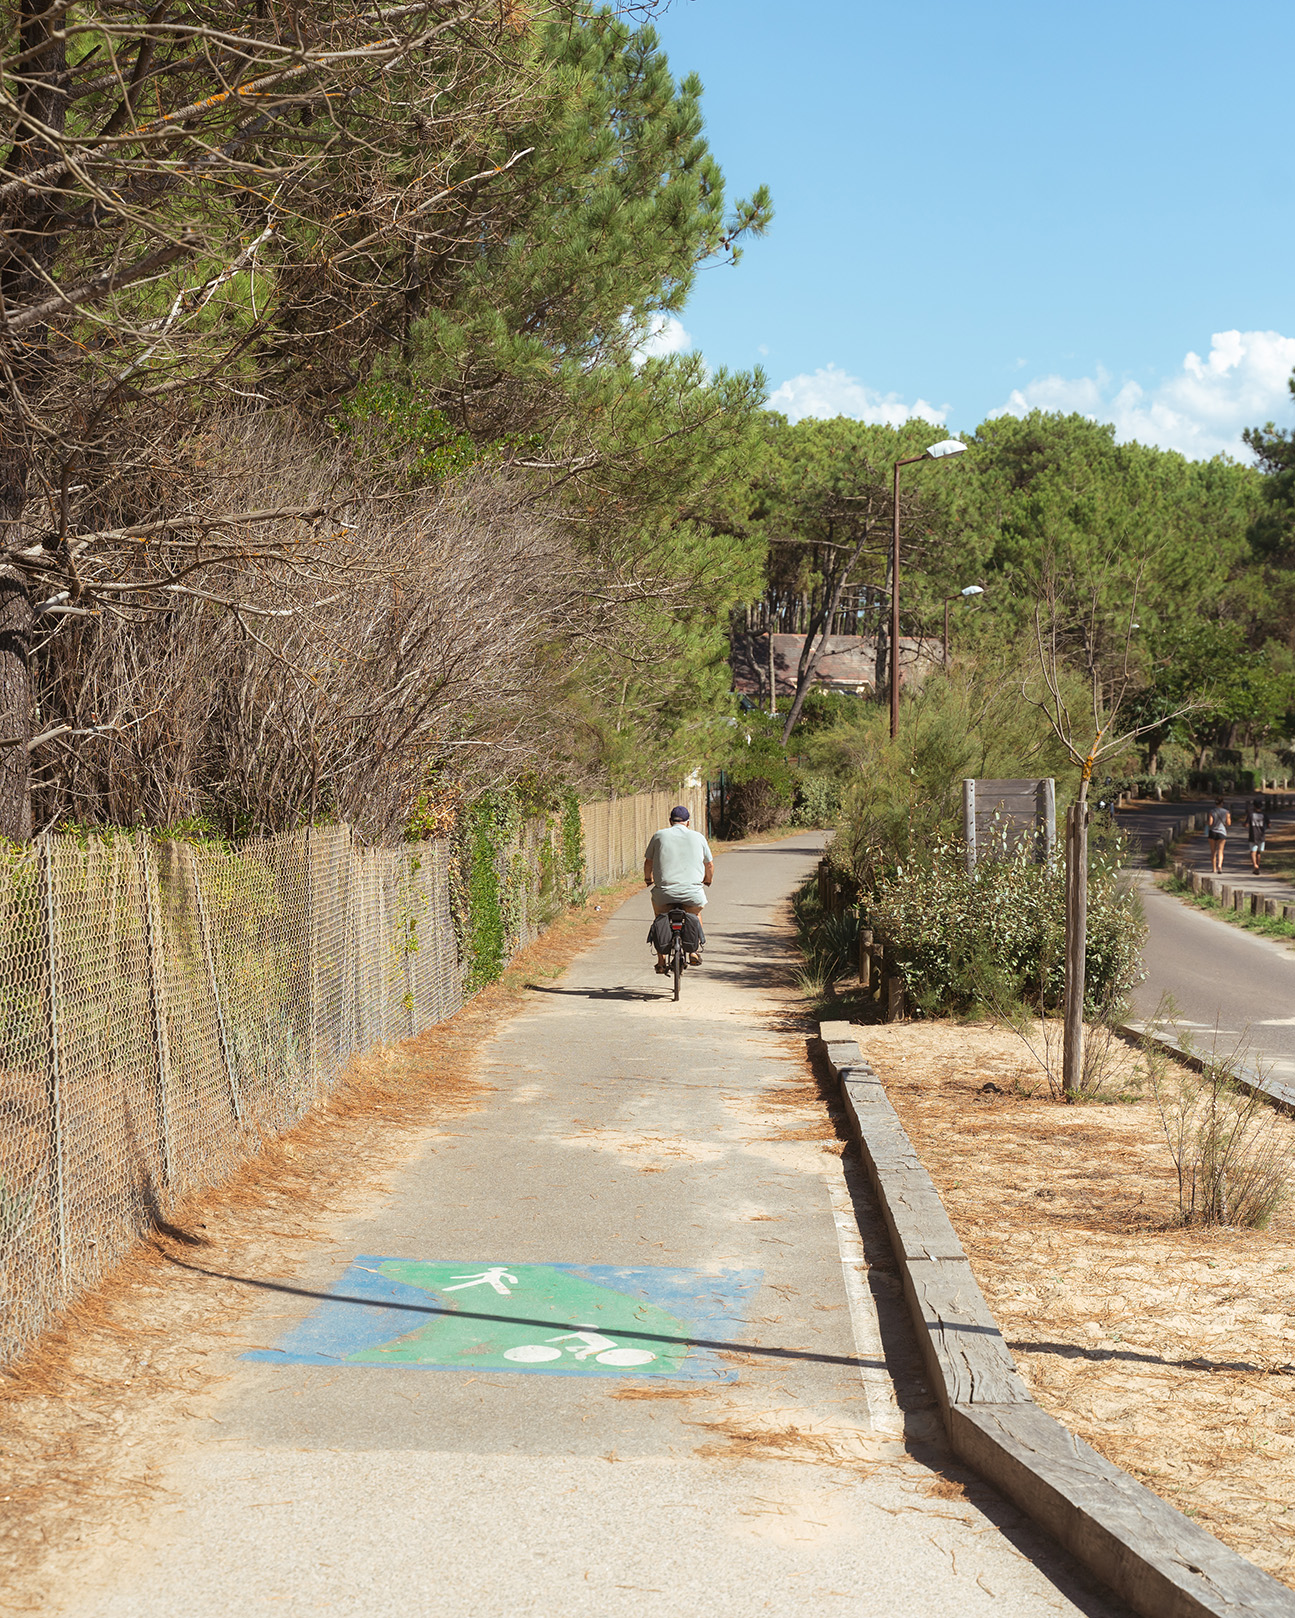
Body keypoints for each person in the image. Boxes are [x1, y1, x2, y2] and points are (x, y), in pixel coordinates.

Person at [643, 805, 714, 972]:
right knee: (695, 914)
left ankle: (661, 960)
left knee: (660, 917)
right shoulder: (698, 837)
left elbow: (649, 862)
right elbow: (709, 864)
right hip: (692, 893)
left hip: (665, 892)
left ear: (670, 821)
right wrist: (707, 880)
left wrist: (648, 879)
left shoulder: (659, 835)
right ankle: (693, 952)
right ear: (688, 823)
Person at [1207, 796, 1230, 874]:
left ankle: (1214, 868)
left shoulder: (1212, 811)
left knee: (1213, 851)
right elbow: (1228, 823)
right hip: (1222, 832)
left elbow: (1210, 823)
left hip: (1212, 832)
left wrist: (1206, 823)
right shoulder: (1226, 812)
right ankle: (1219, 866)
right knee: (1220, 851)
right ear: (1222, 803)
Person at [1246, 798, 1269, 874]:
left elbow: (1246, 824)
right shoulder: (1264, 815)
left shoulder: (1251, 815)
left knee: (1253, 852)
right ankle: (1257, 865)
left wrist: (1243, 824)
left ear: (1254, 806)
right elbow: (1269, 824)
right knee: (1258, 852)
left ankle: (1255, 865)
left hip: (1253, 835)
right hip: (1261, 835)